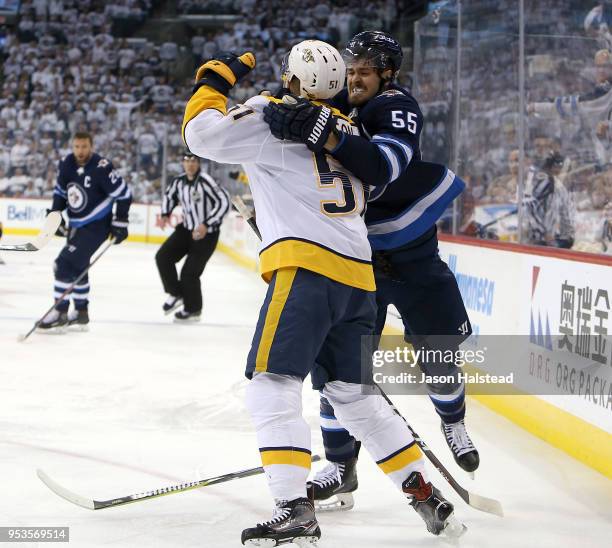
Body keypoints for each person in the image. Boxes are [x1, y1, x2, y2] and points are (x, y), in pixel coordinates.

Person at [183, 40, 465, 545]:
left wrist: (214, 82)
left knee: (271, 385)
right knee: (354, 396)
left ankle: (294, 507)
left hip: (306, 271)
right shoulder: (353, 132)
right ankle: (424, 494)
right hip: (358, 279)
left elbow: (201, 136)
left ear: (293, 79)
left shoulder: (272, 116)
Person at [263, 31, 478, 511]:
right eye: (351, 68)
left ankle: (452, 418)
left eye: (365, 71)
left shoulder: (397, 107)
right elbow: (300, 104)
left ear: (387, 76)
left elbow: (383, 166)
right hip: (357, 256)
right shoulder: (338, 94)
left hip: (409, 248)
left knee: (438, 349)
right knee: (343, 369)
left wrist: (323, 130)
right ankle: (341, 467)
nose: (354, 77)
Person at [38, 132, 131, 331]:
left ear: (91, 146)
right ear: (73, 146)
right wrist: (55, 215)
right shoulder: (66, 164)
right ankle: (81, 313)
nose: (80, 151)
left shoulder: (102, 167)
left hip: (97, 227)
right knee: (78, 267)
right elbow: (61, 193)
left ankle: (60, 312)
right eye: (77, 147)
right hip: (76, 225)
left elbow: (124, 194)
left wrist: (121, 222)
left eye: (84, 147)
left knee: (62, 264)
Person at [155, 152, 229, 321]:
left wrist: (207, 223)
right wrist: (165, 213)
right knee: (163, 257)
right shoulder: (179, 181)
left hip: (206, 234)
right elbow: (169, 195)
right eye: (187, 161)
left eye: (193, 161)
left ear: (199, 163)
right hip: (186, 229)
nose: (190, 164)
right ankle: (176, 293)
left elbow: (224, 201)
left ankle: (193, 309)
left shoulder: (206, 181)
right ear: (183, 163)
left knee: (189, 273)